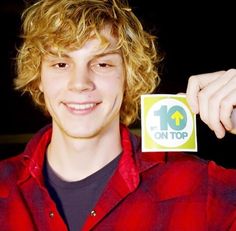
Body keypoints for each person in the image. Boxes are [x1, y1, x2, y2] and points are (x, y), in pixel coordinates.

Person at [0, 0, 236, 230]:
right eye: (61, 64)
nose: (80, 83)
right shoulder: (3, 186)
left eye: (102, 64)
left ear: (128, 76)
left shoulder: (201, 188)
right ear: (39, 78)